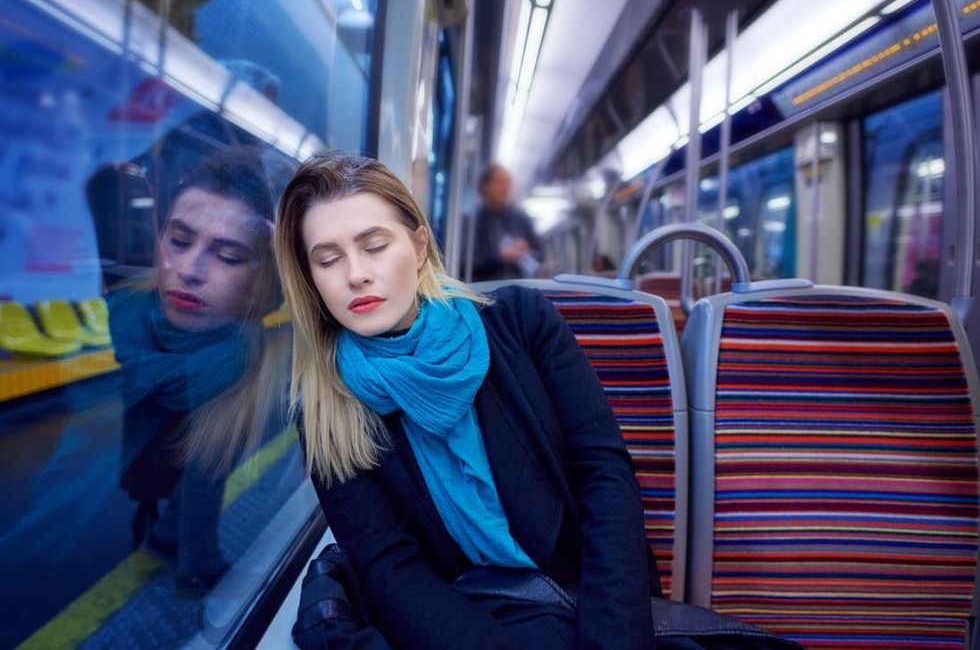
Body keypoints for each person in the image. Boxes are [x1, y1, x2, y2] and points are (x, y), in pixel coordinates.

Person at [274, 153, 799, 649]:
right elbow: (390, 566)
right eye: (328, 259)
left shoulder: (520, 321)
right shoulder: (325, 407)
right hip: (467, 619)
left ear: (419, 243)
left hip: (594, 599)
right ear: (312, 279)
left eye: (374, 245)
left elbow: (605, 475)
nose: (355, 274)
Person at [108, 150, 286, 597]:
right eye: (180, 241)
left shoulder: (146, 326)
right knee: (207, 467)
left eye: (227, 255)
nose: (187, 271)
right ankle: (198, 566)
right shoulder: (135, 317)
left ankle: (169, 536)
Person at [471, 164, 543, 281]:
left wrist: (525, 252)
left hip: (518, 285)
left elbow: (540, 253)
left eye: (507, 183)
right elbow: (467, 263)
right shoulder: (473, 222)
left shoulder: (521, 218)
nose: (505, 188)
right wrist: (501, 257)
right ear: (485, 186)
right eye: (499, 182)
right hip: (483, 289)